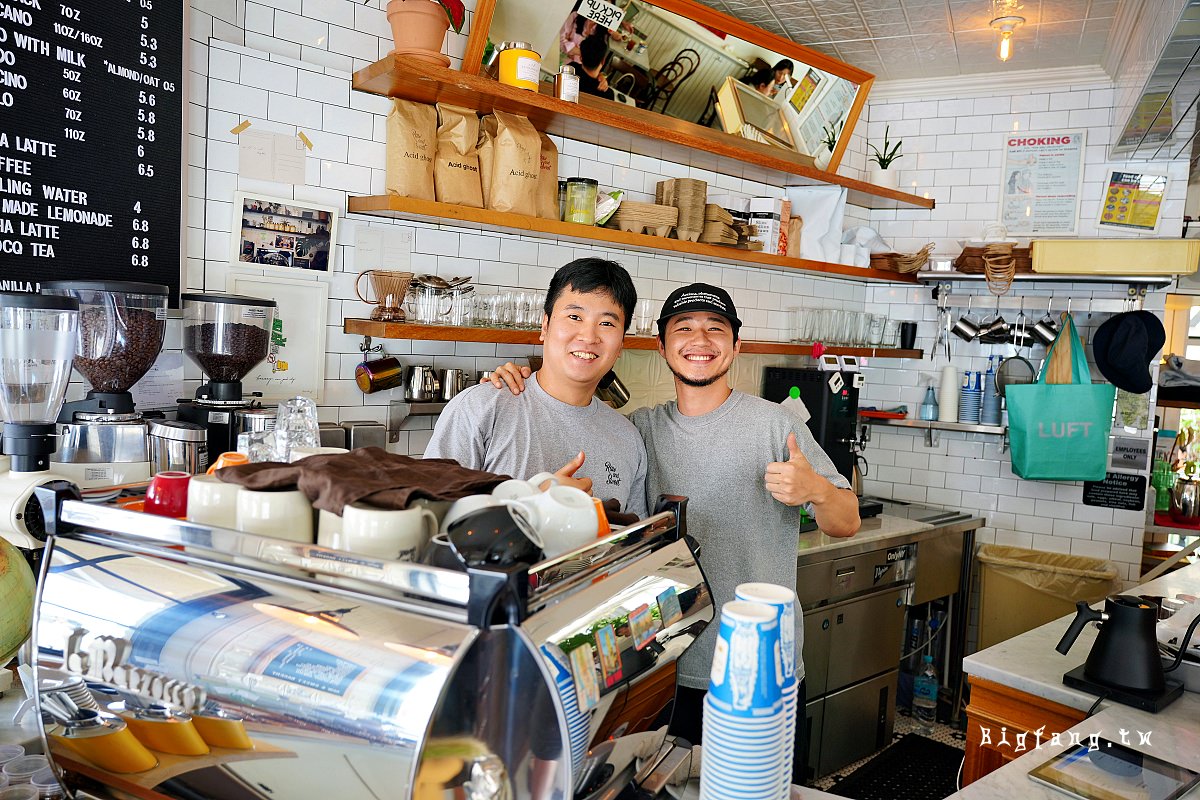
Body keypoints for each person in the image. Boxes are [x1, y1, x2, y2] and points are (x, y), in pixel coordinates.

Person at [485, 283, 859, 783]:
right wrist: (516, 381)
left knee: (753, 791)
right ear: (661, 346)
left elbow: (846, 522)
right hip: (661, 666)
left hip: (759, 669)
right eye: (683, 329)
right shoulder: (636, 431)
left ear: (736, 346)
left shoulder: (775, 425)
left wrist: (814, 488)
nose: (699, 340)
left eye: (714, 329)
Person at [424, 257, 648, 518]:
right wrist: (533, 504)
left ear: (621, 344)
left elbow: (633, 543)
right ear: (545, 325)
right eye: (574, 316)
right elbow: (428, 516)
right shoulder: (481, 408)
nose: (589, 336)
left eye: (607, 323)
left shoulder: (628, 439)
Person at [567, 34, 615, 100]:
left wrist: (600, 75)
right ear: (603, 61)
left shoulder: (569, 69)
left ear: (581, 58)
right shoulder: (607, 94)